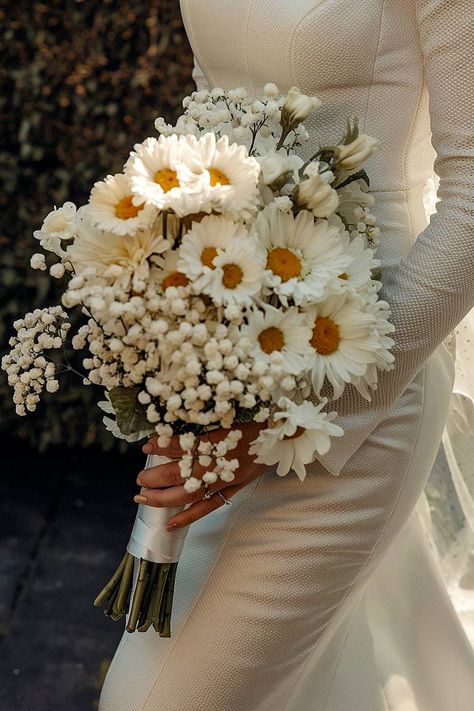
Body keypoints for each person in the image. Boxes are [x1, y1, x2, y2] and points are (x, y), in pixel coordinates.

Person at [99, 1, 474, 708]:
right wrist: (168, 311)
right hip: (225, 348)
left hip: (364, 376)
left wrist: (299, 416)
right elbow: (212, 102)